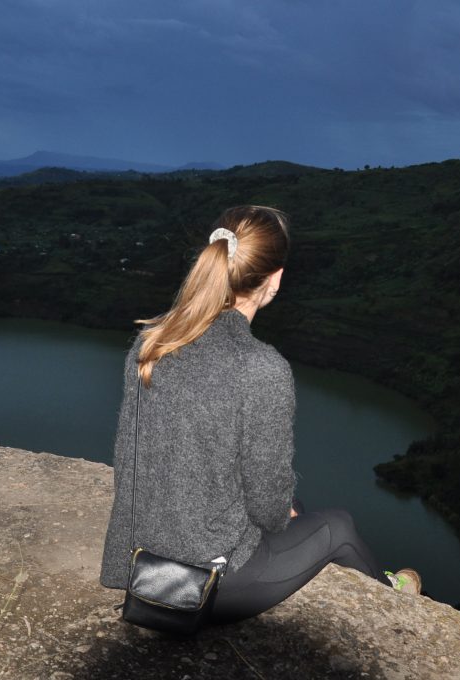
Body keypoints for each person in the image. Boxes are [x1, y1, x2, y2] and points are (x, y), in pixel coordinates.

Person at [99, 205, 420, 624]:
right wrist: (278, 510)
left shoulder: (152, 343)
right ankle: (397, 600)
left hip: (142, 565)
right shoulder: (259, 367)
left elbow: (138, 462)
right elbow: (267, 506)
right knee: (336, 527)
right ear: (275, 278)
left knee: (296, 507)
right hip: (208, 583)